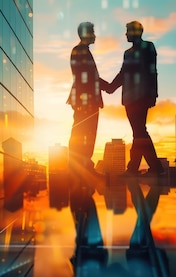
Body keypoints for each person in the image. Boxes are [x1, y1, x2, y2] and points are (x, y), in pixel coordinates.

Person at [106, 21, 164, 176]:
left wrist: (153, 93)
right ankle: (138, 168)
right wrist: (110, 88)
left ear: (135, 32)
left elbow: (153, 70)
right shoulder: (127, 53)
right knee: (138, 132)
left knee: (140, 131)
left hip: (142, 96)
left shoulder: (148, 47)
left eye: (127, 31)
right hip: (129, 99)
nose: (125, 34)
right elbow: (123, 73)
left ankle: (150, 168)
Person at [67, 22, 109, 177]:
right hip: (85, 100)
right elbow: (90, 77)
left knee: (85, 132)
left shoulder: (82, 51)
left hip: (85, 99)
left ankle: (83, 165)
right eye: (92, 32)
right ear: (86, 34)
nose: (95, 35)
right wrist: (108, 87)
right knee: (83, 132)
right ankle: (79, 167)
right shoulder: (80, 51)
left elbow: (90, 77)